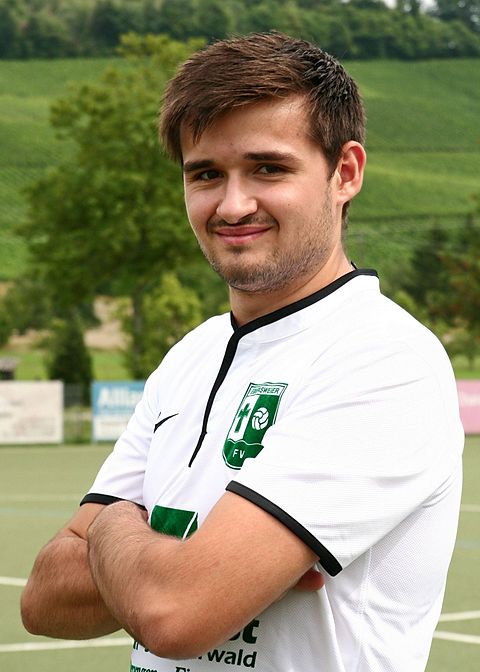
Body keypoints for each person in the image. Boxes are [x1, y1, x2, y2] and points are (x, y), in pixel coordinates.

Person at [21, 32, 464, 672]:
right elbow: (44, 600)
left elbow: (174, 612)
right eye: (206, 174)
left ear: (345, 173)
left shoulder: (384, 360)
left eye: (268, 168)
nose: (232, 205)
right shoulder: (190, 356)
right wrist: (194, 555)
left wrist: (116, 526)